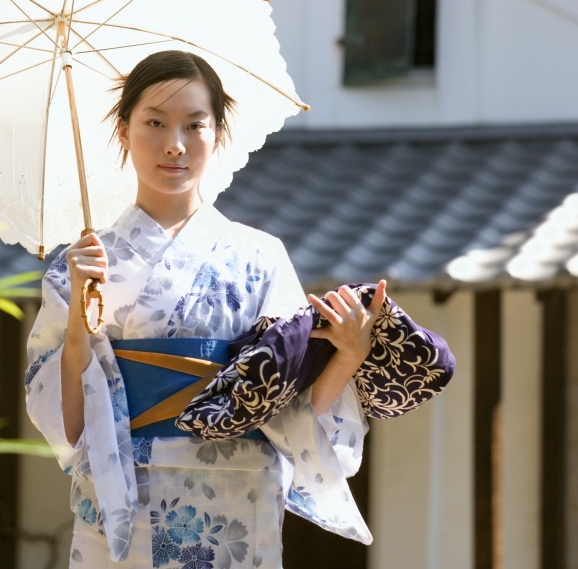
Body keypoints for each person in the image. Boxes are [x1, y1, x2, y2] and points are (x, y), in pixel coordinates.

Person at [25, 50, 386, 567]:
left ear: (217, 134)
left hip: (237, 497)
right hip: (123, 495)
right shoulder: (79, 267)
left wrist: (349, 355)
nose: (175, 145)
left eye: (195, 125)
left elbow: (294, 407)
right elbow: (72, 427)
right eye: (154, 123)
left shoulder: (260, 257)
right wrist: (81, 328)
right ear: (123, 131)